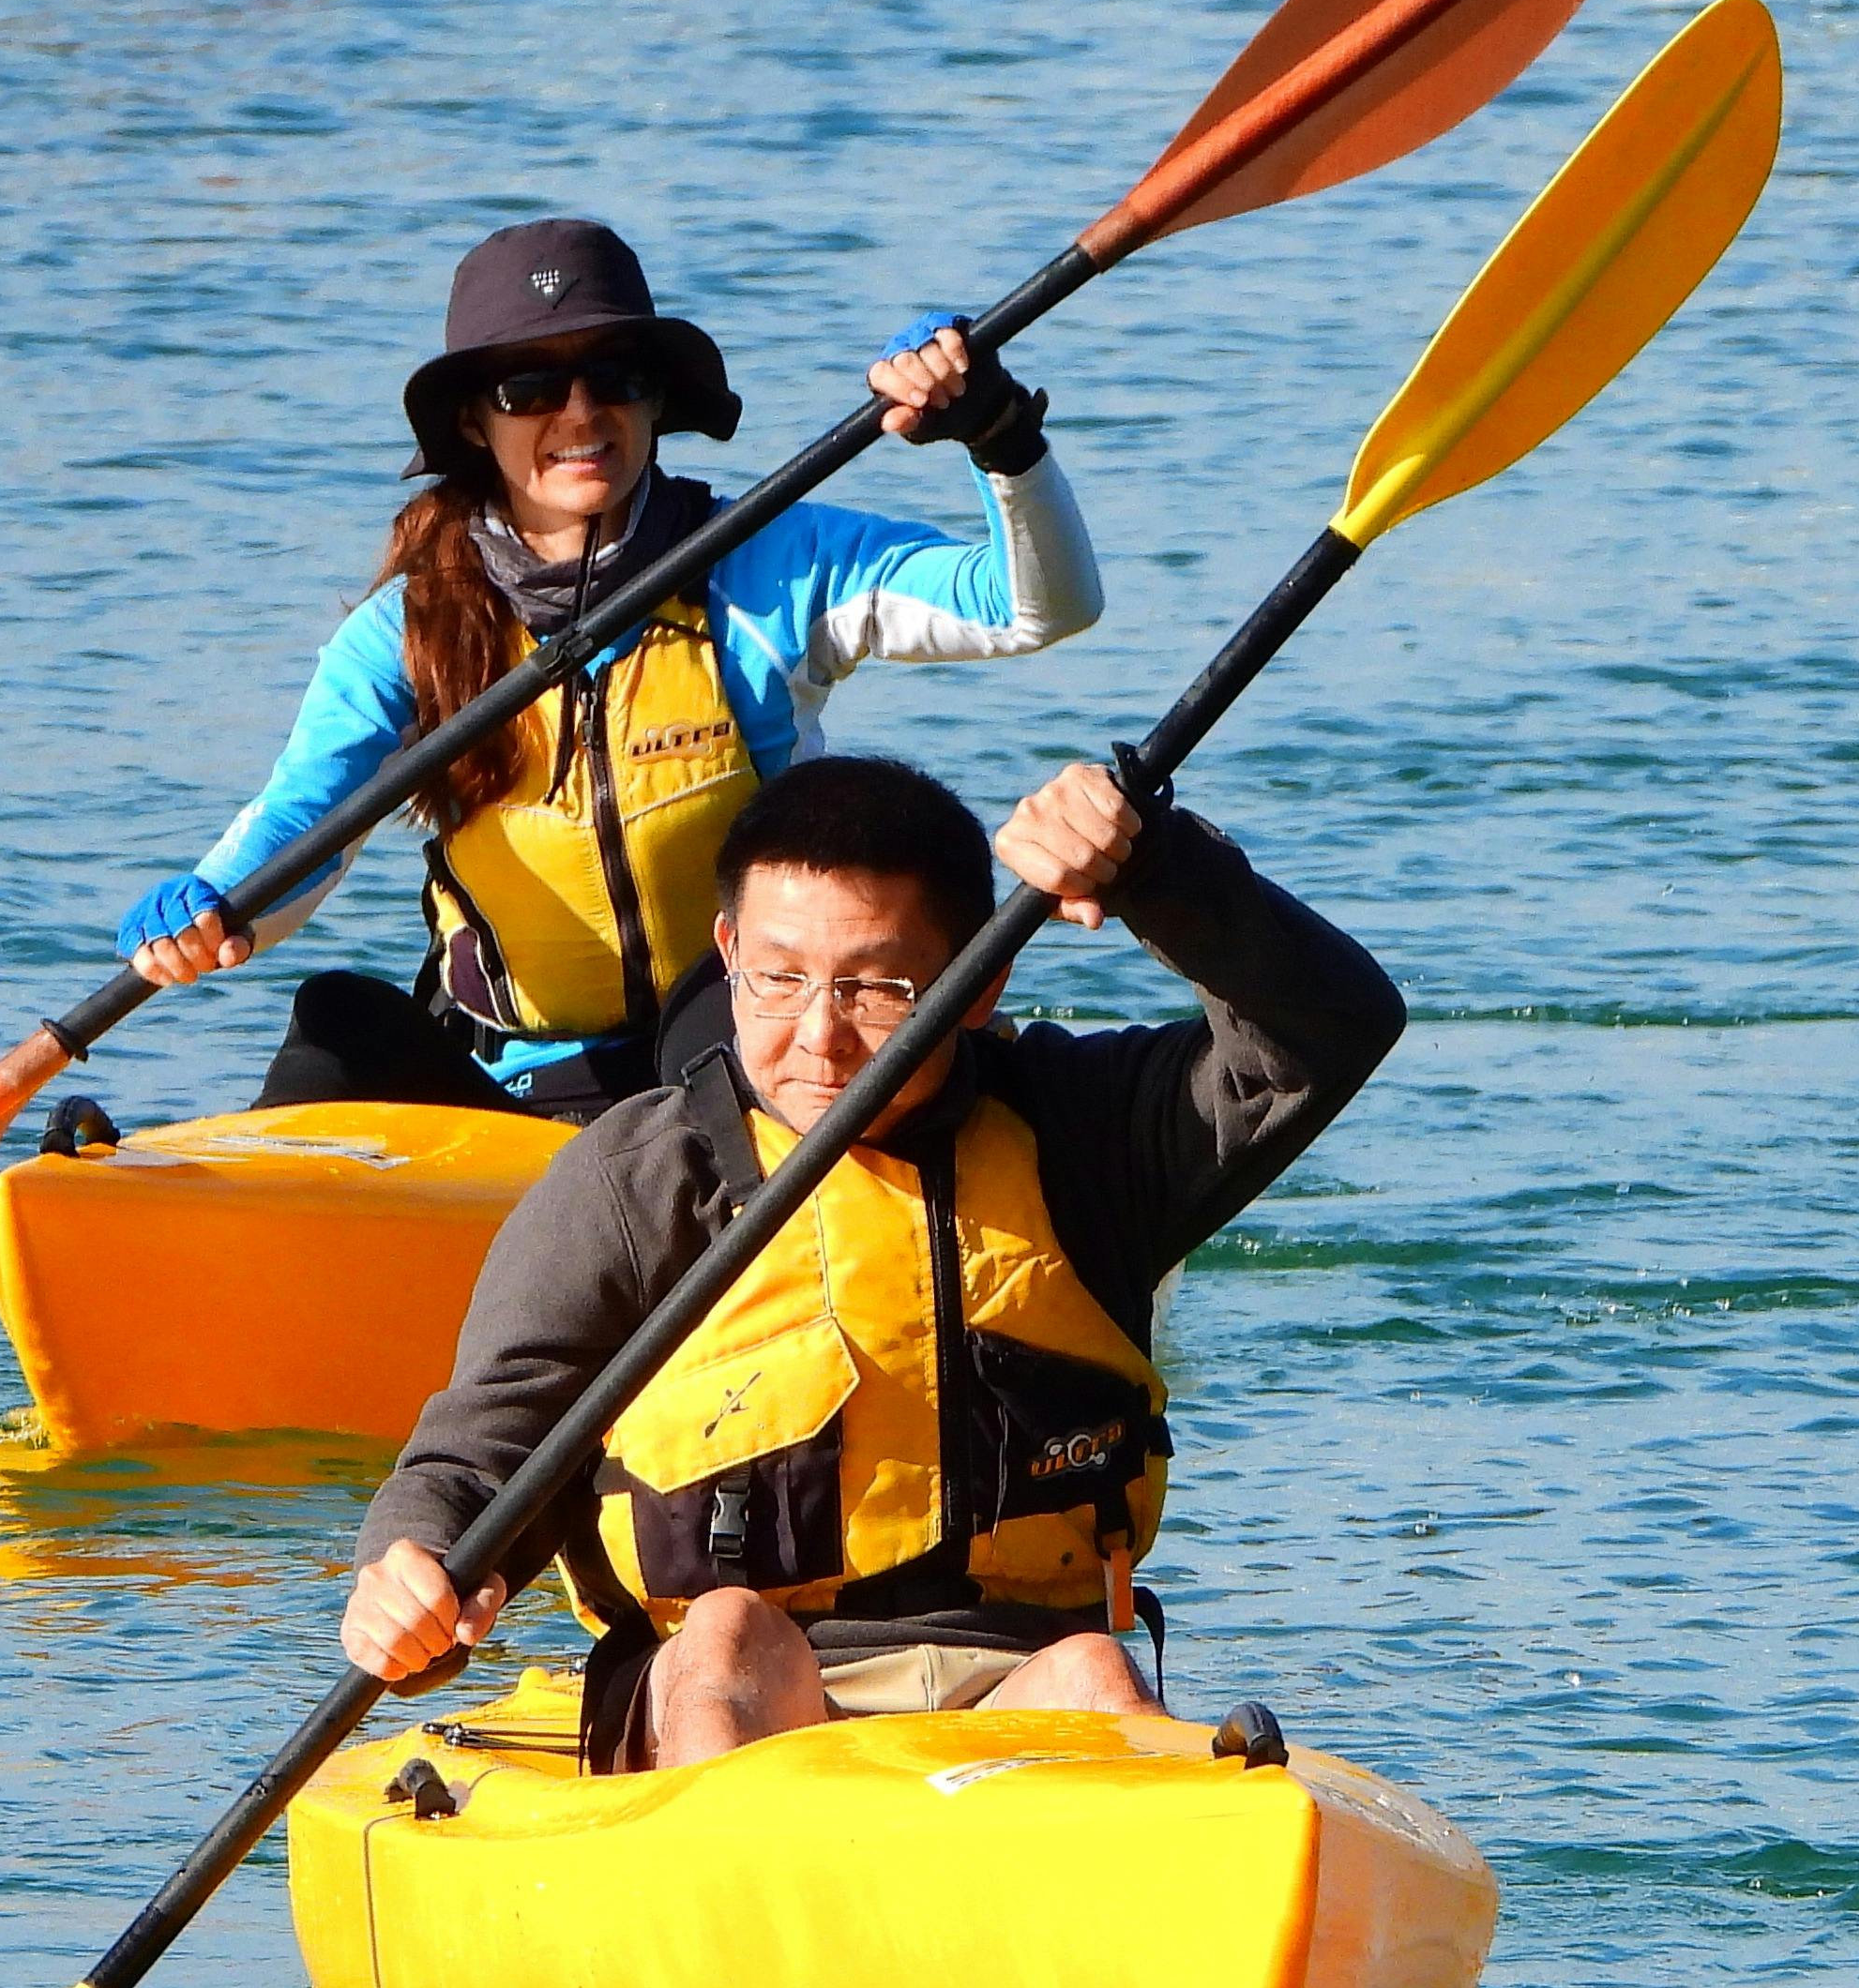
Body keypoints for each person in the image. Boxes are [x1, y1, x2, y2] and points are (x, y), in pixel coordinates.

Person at [337, 750, 1405, 1772]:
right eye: (778, 978)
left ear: (976, 981)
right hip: (725, 1689)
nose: (818, 1036)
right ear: (726, 950)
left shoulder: (1089, 1135)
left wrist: (1158, 869)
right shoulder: (634, 1181)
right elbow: (482, 1449)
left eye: (876, 990)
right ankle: (735, 1912)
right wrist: (417, 1565)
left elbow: (1330, 1029)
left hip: (1015, 1673)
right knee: (728, 1634)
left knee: (1092, 1669)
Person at [105, 218, 1105, 1126]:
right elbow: (302, 830)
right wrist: (209, 905)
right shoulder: (405, 633)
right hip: (516, 1081)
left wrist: (998, 436)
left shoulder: (768, 562)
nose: (580, 413)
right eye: (530, 388)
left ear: (656, 399)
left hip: (739, 1059)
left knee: (707, 1030)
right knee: (336, 1020)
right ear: (471, 421)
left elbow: (1037, 609)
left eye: (614, 377)